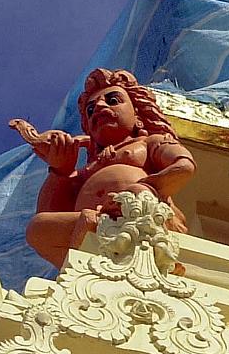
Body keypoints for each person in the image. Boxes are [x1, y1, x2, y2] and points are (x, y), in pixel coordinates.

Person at [10, 68, 195, 267]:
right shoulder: (89, 168)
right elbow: (48, 211)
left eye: (113, 100)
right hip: (93, 221)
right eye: (90, 110)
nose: (99, 106)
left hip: (142, 212)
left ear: (138, 114)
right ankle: (93, 229)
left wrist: (146, 187)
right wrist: (60, 170)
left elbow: (183, 167)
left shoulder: (150, 142)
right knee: (37, 229)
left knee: (138, 194)